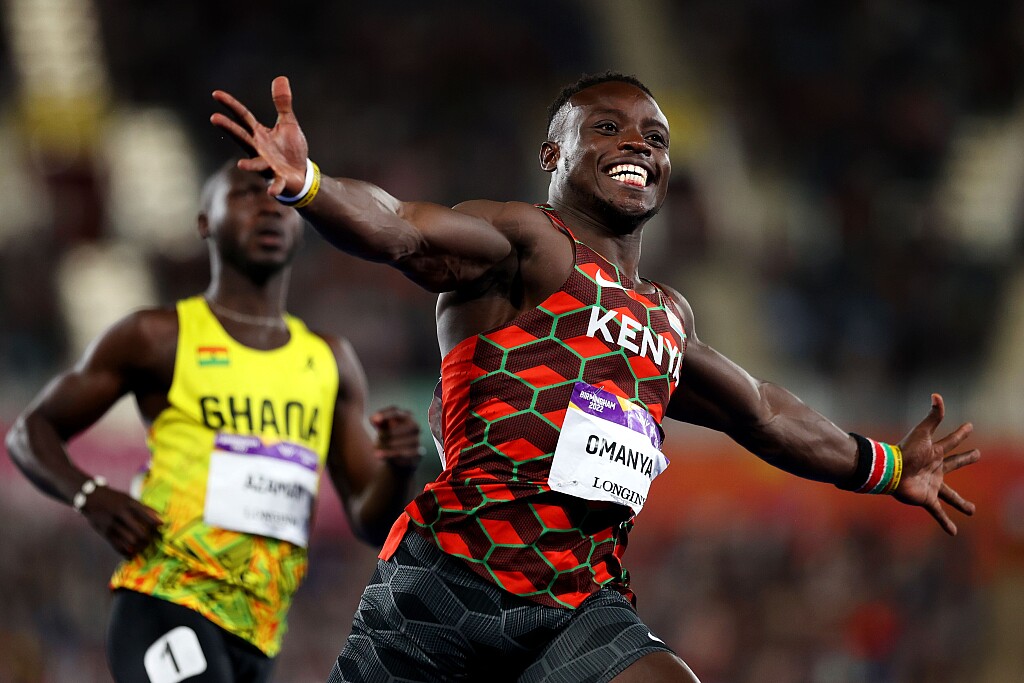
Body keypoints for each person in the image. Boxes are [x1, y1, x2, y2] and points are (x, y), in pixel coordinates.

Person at [209, 72, 980, 683]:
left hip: (576, 606)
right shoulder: (528, 241)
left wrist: (889, 466)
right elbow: (402, 228)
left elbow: (765, 413)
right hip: (445, 588)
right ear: (553, 155)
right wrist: (310, 184)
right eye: (606, 127)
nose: (636, 142)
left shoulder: (668, 317)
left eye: (655, 136)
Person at [4, 161, 424, 683]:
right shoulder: (158, 337)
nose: (269, 207)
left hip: (259, 632)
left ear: (300, 223)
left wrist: (397, 467)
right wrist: (89, 494)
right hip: (166, 600)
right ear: (205, 221)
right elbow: (30, 432)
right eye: (247, 195)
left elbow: (371, 521)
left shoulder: (329, 361)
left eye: (281, 196)